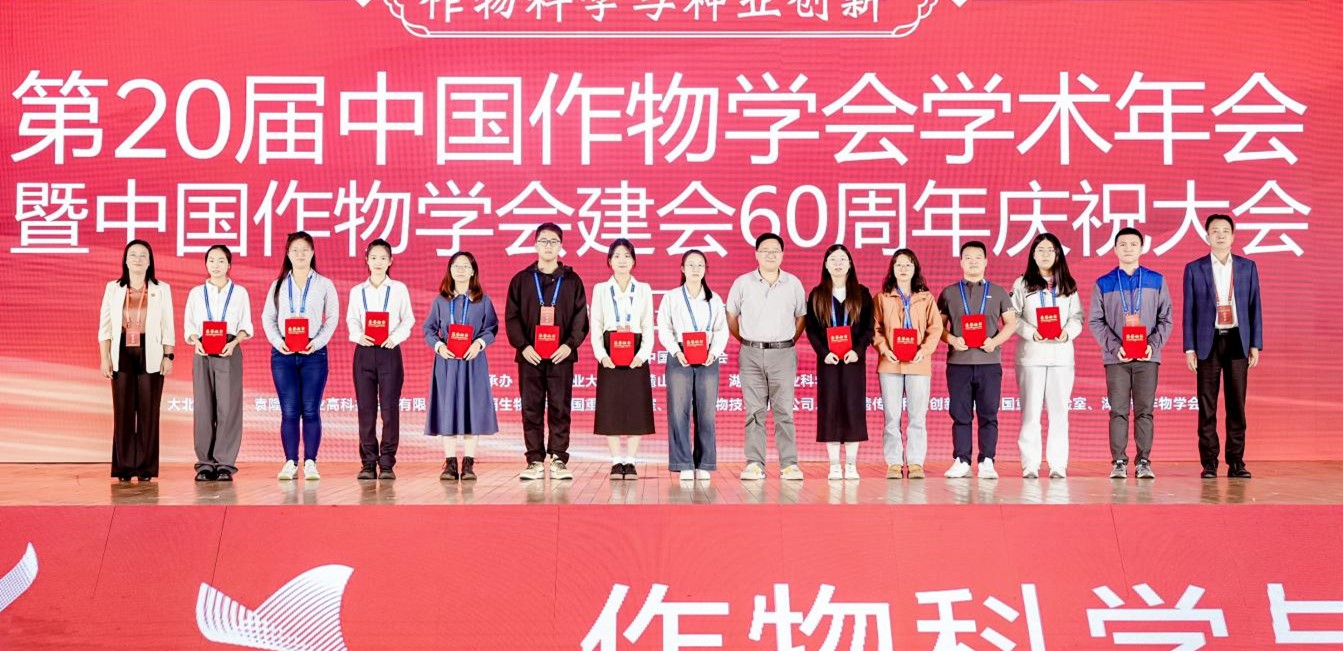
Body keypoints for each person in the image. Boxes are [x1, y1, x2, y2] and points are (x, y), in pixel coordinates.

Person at [505, 223, 589, 481]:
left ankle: (559, 459)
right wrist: (523, 346)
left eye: (553, 241)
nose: (548, 246)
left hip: (561, 355)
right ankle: (534, 460)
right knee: (531, 408)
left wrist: (569, 345)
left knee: (560, 407)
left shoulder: (572, 281)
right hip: (529, 356)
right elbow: (512, 317)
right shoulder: (521, 280)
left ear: (561, 246)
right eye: (543, 241)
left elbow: (580, 317)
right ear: (535, 245)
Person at [1088, 227, 1174, 480]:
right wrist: (1116, 348)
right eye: (1123, 244)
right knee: (1118, 411)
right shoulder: (1104, 283)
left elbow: (1166, 318)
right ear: (1115, 249)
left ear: (1141, 248)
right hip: (1117, 359)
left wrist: (1152, 346)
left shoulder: (1156, 280)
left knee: (1145, 411)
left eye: (1133, 244)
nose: (1128, 249)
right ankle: (1119, 462)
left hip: (1147, 357)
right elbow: (1096, 321)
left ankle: (1144, 461)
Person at [1183, 214, 1262, 479]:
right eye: (1215, 231)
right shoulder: (1194, 268)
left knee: (1236, 404)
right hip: (1208, 342)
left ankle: (1236, 461)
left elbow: (1255, 307)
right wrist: (1190, 348)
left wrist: (1255, 344)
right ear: (1207, 236)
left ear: (1233, 236)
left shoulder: (1247, 267)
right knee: (1207, 405)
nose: (1220, 235)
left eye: (1225, 231)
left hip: (1238, 340)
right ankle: (1209, 463)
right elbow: (1189, 311)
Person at [726, 232, 807, 481]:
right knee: (754, 411)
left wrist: (787, 341)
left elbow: (801, 317)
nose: (770, 254)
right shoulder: (742, 283)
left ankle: (789, 464)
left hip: (783, 353)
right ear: (756, 254)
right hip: (750, 353)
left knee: (784, 411)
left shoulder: (793, 283)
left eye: (775, 251)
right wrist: (746, 340)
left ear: (782, 254)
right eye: (765, 250)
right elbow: (731, 316)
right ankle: (754, 464)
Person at [261, 231, 339, 481]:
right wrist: (278, 342)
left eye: (305, 250)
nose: (300, 254)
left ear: (313, 252)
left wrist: (317, 343)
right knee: (290, 411)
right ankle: (290, 462)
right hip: (283, 355)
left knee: (311, 410)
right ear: (287, 254)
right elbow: (268, 318)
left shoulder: (324, 284)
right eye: (295, 250)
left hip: (313, 355)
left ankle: (311, 462)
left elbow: (332, 318)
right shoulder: (278, 285)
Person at [937, 241, 1017, 479]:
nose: (973, 262)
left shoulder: (999, 292)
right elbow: (938, 328)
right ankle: (961, 459)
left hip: (989, 363)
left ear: (986, 262)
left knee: (988, 413)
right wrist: (952, 339)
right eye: (968, 258)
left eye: (978, 257)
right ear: (961, 262)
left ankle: (987, 460)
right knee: (960, 414)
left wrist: (995, 342)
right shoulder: (949, 292)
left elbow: (1011, 324)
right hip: (958, 363)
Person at [99, 240, 175, 482]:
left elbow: (167, 325)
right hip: (121, 350)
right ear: (125, 259)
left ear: (150, 261)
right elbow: (105, 326)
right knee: (122, 410)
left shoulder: (161, 289)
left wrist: (168, 355)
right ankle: (123, 468)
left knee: (148, 411)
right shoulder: (113, 288)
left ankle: (145, 468)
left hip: (150, 351)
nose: (138, 259)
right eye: (133, 255)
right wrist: (104, 357)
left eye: (143, 255)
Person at [1010, 233, 1084, 479]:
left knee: (1059, 413)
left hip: (1061, 356)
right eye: (1040, 250)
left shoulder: (1068, 284)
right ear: (1033, 254)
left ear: (1058, 254)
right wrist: (1031, 332)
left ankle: (1058, 464)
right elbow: (1013, 317)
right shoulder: (1022, 284)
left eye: (1050, 250)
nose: (1045, 254)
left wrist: (1067, 333)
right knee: (1030, 412)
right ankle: (1030, 464)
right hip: (1031, 356)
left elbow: (1077, 317)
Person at [424, 252, 499, 481]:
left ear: (473, 271)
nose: (461, 270)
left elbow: (491, 328)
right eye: (456, 266)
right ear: (450, 270)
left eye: (466, 266)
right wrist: (439, 346)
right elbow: (429, 329)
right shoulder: (441, 300)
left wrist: (479, 344)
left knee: (471, 410)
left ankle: (468, 464)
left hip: (473, 361)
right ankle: (449, 464)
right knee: (447, 410)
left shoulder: (482, 300)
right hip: (447, 363)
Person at [657, 250, 729, 482]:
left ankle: (704, 463)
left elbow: (721, 329)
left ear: (706, 269)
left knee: (706, 411)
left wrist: (714, 352)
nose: (696, 269)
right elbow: (664, 327)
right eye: (691, 264)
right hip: (680, 355)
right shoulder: (671, 297)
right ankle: (683, 463)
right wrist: (676, 351)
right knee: (678, 410)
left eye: (700, 265)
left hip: (708, 355)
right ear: (682, 269)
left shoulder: (714, 299)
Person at [346, 239, 415, 480]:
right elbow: (352, 319)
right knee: (365, 410)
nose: (378, 262)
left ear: (390, 261)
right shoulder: (357, 291)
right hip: (364, 351)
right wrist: (358, 335)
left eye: (383, 258)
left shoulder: (398, 289)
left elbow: (408, 319)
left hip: (389, 352)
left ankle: (386, 463)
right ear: (366, 260)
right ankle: (368, 463)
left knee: (389, 409)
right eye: (373, 257)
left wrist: (394, 338)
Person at [182, 245, 252, 482]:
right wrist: (195, 341)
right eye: (211, 260)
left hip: (229, 348)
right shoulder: (196, 293)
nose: (216, 265)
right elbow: (189, 325)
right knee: (203, 407)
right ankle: (204, 464)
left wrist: (234, 343)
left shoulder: (239, 292)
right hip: (202, 349)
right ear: (206, 264)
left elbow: (245, 325)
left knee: (228, 407)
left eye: (221, 260)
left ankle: (224, 464)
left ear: (229, 265)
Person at [804, 244, 874, 480]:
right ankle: (834, 465)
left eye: (842, 259)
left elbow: (868, 327)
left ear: (850, 264)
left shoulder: (862, 293)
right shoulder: (817, 294)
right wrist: (823, 352)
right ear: (825, 264)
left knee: (853, 408)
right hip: (828, 362)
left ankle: (851, 464)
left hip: (854, 361)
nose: (838, 263)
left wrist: (858, 350)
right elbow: (812, 329)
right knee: (830, 408)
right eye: (833, 259)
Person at [872, 248, 942, 480]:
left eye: (908, 265)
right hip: (890, 363)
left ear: (915, 269)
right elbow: (875, 328)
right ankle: (893, 462)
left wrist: (925, 350)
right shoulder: (882, 297)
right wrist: (883, 349)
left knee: (917, 417)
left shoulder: (926, 297)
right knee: (891, 416)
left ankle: (915, 462)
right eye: (899, 264)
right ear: (892, 269)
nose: (903, 269)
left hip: (918, 363)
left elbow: (936, 328)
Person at [591, 239, 657, 480]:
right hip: (610, 350)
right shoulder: (601, 289)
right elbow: (596, 324)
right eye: (617, 256)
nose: (622, 260)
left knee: (636, 407)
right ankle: (616, 460)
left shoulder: (644, 289)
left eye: (627, 256)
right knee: (610, 407)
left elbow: (648, 325)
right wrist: (601, 355)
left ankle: (630, 460)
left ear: (634, 261)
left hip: (635, 351)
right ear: (609, 261)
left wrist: (643, 354)